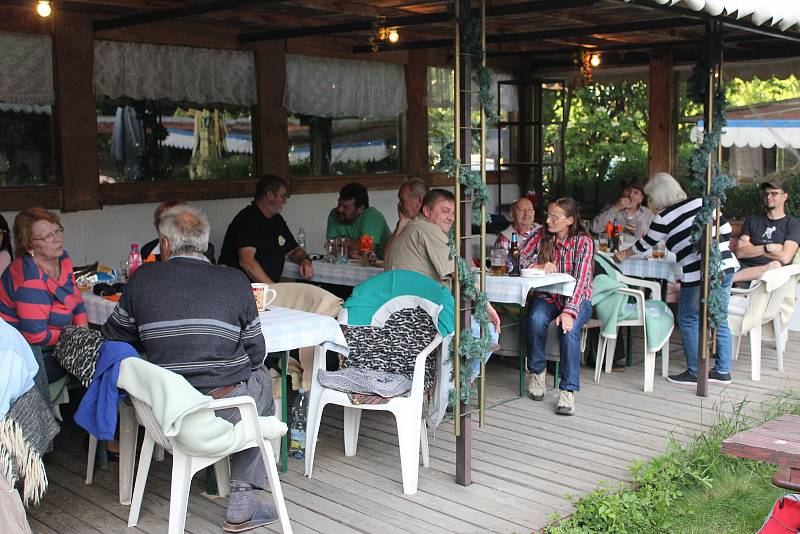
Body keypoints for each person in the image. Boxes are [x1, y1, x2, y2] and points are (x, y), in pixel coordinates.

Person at [101, 204, 279, 531]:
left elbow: (114, 336)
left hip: (160, 411)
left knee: (254, 383)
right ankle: (242, 495)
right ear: (205, 243)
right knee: (262, 380)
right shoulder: (234, 280)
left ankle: (241, 492)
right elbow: (256, 353)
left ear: (165, 245)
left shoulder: (142, 279)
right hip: (219, 408)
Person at [614, 172, 739, 386]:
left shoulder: (663, 218)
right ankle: (723, 371)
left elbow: (646, 244)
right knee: (719, 318)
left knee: (689, 319)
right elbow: (726, 231)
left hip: (696, 272)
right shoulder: (703, 203)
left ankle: (693, 372)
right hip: (725, 266)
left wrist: (623, 254)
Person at [385, 188, 501, 330]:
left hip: (398, 312)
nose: (451, 217)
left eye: (453, 213)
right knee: (489, 331)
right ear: (427, 211)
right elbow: (460, 274)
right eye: (445, 210)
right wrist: (486, 306)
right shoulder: (428, 230)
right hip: (421, 316)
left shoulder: (413, 227)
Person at [520, 198, 593, 416]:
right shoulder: (541, 235)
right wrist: (540, 266)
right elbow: (520, 259)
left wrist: (569, 312)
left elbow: (582, 281)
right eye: (548, 214)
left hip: (577, 299)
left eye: (555, 217)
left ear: (569, 220)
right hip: (548, 295)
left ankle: (568, 391)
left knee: (568, 330)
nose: (548, 220)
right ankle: (537, 372)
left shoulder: (583, 242)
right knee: (534, 319)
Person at [0, 208, 88, 382]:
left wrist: (83, 331)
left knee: (105, 354)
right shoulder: (30, 280)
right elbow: (35, 336)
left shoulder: (62, 259)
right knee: (100, 363)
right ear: (29, 244)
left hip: (58, 344)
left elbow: (75, 301)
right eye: (47, 236)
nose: (57, 238)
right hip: (29, 357)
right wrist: (73, 336)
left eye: (57, 230)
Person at [219, 175, 313, 283]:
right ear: (270, 195)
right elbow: (246, 261)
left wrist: (305, 260)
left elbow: (294, 250)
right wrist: (274, 289)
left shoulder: (277, 221)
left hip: (266, 289)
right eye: (283, 196)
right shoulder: (247, 219)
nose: (285, 201)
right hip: (240, 289)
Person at [732, 179, 800, 284]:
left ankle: (730, 279)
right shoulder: (752, 220)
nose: (768, 197)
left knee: (775, 266)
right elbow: (741, 252)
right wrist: (768, 248)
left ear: (784, 197)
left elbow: (785, 257)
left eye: (774, 193)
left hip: (774, 281)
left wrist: (752, 248)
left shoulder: (793, 224)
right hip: (745, 274)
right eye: (766, 194)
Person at [325, 182, 391, 259]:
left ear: (360, 209)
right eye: (339, 204)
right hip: (353, 266)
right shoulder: (335, 214)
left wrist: (343, 241)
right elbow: (330, 247)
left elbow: (367, 249)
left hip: (382, 267)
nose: (339, 209)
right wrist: (349, 252)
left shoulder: (372, 216)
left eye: (345, 207)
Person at [141, 200, 215, 263]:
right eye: (166, 221)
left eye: (176, 221)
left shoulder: (204, 248)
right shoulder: (148, 249)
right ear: (158, 226)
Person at [591, 180, 654, 244]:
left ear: (641, 199)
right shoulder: (609, 209)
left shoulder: (648, 215)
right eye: (628, 190)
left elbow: (659, 240)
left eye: (635, 193)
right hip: (611, 251)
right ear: (623, 192)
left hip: (636, 252)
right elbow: (594, 229)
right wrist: (616, 207)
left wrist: (644, 233)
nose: (630, 195)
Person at [382, 178, 428, 258]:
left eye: (403, 200)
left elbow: (388, 256)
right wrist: (401, 224)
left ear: (419, 202)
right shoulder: (406, 222)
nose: (399, 205)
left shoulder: (425, 227)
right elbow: (386, 255)